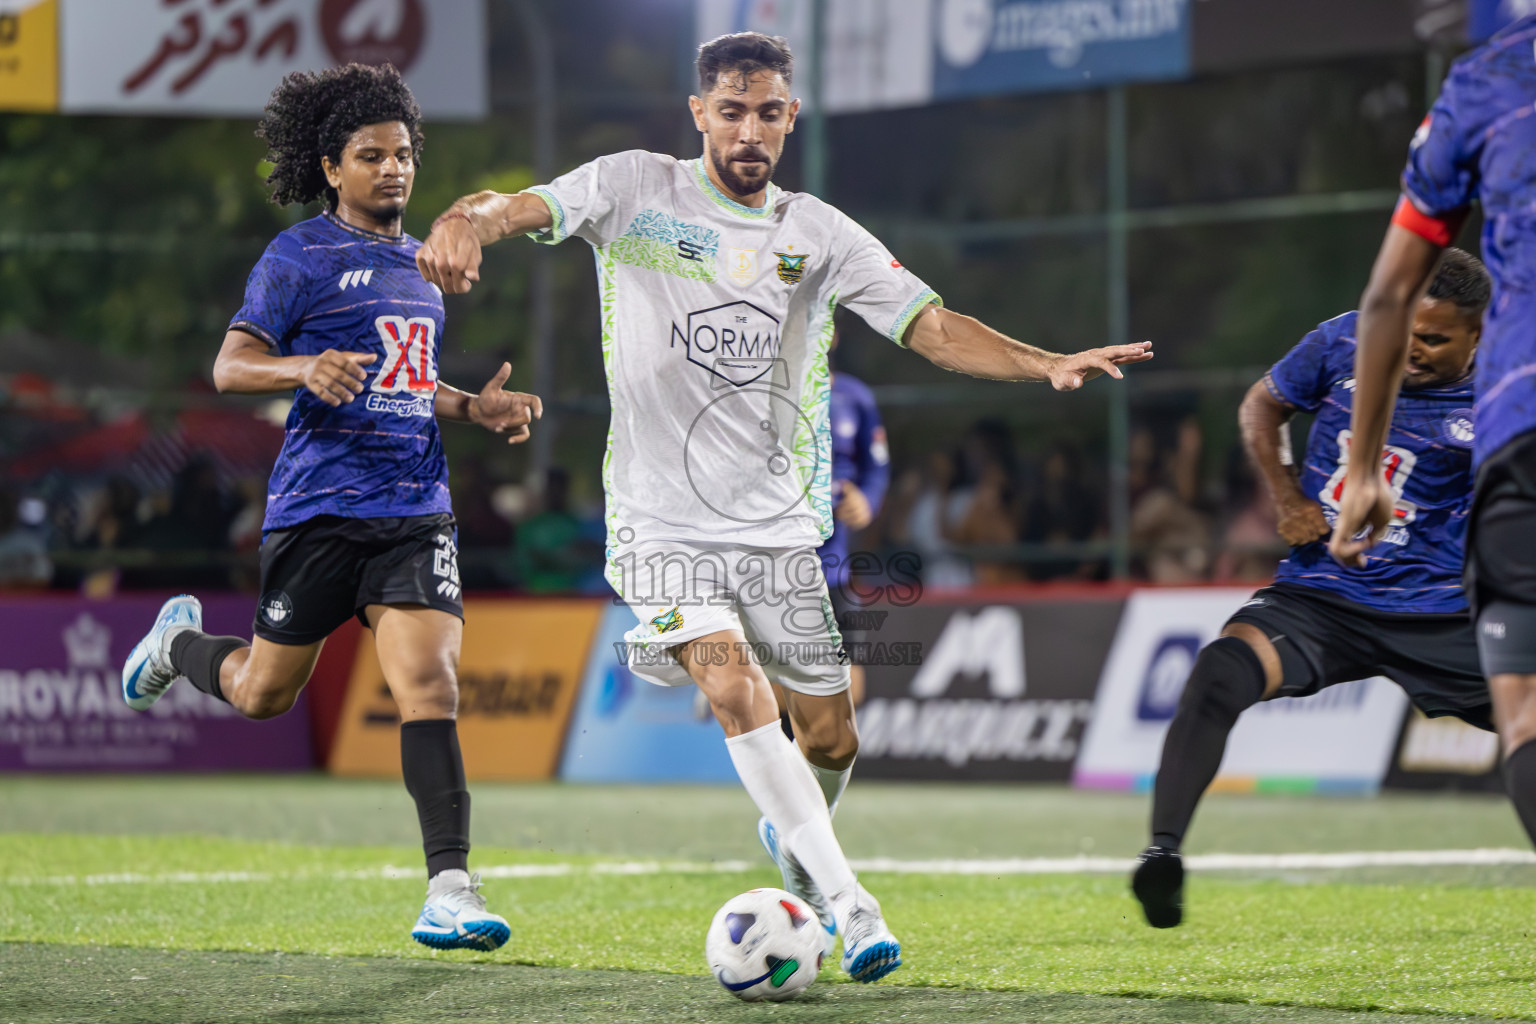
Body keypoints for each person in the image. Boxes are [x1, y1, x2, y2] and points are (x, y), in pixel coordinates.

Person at [416, 32, 1151, 981]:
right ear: (700, 114)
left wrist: (1043, 360)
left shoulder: (821, 233)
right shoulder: (634, 187)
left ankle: (793, 831)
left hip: (778, 530)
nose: (750, 128)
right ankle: (849, 903)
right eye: (731, 110)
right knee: (732, 688)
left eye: (768, 111)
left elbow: (929, 326)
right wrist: (462, 221)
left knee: (835, 735)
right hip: (659, 520)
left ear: (790, 116)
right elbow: (511, 206)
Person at [119, 64, 540, 951]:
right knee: (263, 694)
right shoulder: (298, 257)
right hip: (317, 512)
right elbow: (231, 366)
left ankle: (451, 890)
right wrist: (301, 367)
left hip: (414, 508)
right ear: (331, 167)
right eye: (371, 156)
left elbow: (408, 384)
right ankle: (179, 646)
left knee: (431, 684)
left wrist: (473, 407)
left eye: (404, 154)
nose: (394, 170)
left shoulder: (424, 266)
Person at [1134, 249, 1493, 928]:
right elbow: (1262, 407)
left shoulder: (1504, 390)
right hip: (1320, 597)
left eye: (1436, 339)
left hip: (1437, 608)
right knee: (1218, 671)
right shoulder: (1342, 339)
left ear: (1479, 333)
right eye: (1406, 332)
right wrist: (1287, 497)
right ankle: (1163, 854)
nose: (1412, 350)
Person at [1329, 15, 1536, 850]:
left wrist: (1367, 464)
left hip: (1522, 421)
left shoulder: (1483, 85)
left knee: (1521, 711)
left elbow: (1385, 298)